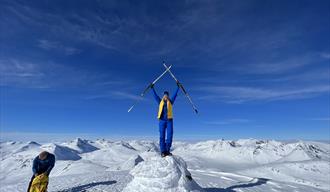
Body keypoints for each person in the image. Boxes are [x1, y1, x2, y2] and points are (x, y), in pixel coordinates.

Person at [151, 81, 180, 157]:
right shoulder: (160, 101)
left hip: (169, 120)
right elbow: (155, 96)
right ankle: (163, 151)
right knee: (162, 136)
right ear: (163, 96)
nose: (165, 96)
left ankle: (167, 150)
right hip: (162, 121)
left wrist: (178, 87)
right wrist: (152, 88)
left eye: (167, 95)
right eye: (164, 95)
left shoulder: (171, 101)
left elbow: (175, 95)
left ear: (168, 96)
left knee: (170, 135)